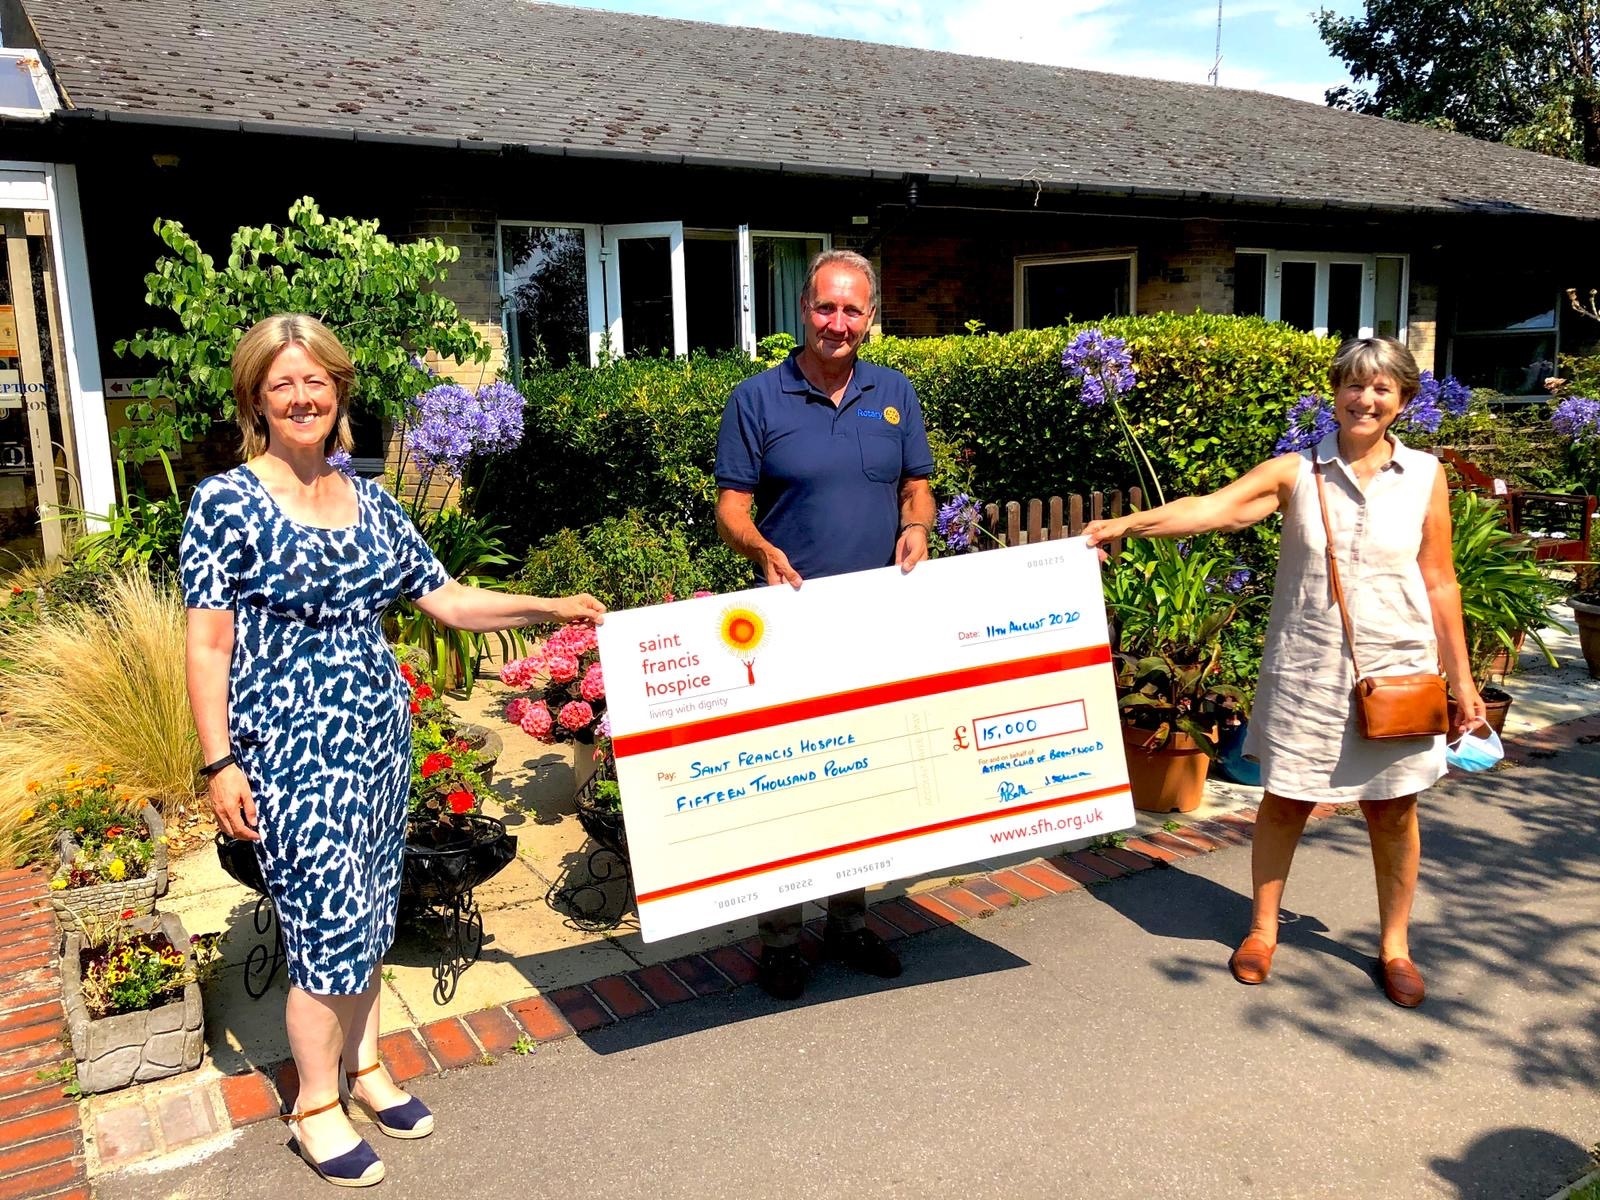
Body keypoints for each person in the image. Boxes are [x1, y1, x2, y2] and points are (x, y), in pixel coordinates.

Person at [181, 314, 603, 1187]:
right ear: (257, 398)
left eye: (316, 381)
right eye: (281, 384)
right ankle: (313, 1106)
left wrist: (547, 605)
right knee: (327, 928)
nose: (302, 397)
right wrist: (219, 761)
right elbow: (207, 646)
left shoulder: (368, 498)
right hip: (288, 753)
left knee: (372, 913)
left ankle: (365, 1068)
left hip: (374, 743)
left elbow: (446, 600)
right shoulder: (226, 502)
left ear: (338, 392)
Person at [1082, 336, 1485, 1009]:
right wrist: (1127, 524)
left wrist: (1464, 683)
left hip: (1400, 670)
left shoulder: (1425, 476)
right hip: (1309, 670)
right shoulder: (1297, 472)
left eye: (1382, 387)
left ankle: (1395, 948)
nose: (1366, 398)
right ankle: (1262, 931)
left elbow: (1440, 579)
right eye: (1354, 385)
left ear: (1404, 401)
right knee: (1287, 801)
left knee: (1392, 812)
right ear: (1336, 393)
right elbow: (1212, 508)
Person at [714, 249, 936, 1000]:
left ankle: (849, 921)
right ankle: (779, 937)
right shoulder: (757, 399)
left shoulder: (895, 392)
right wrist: (761, 547)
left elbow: (918, 484)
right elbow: (732, 510)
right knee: (793, 782)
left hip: (873, 624)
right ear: (802, 311)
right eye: (824, 307)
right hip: (788, 624)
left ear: (871, 319)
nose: (837, 322)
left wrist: (917, 527)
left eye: (852, 310)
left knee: (862, 777)